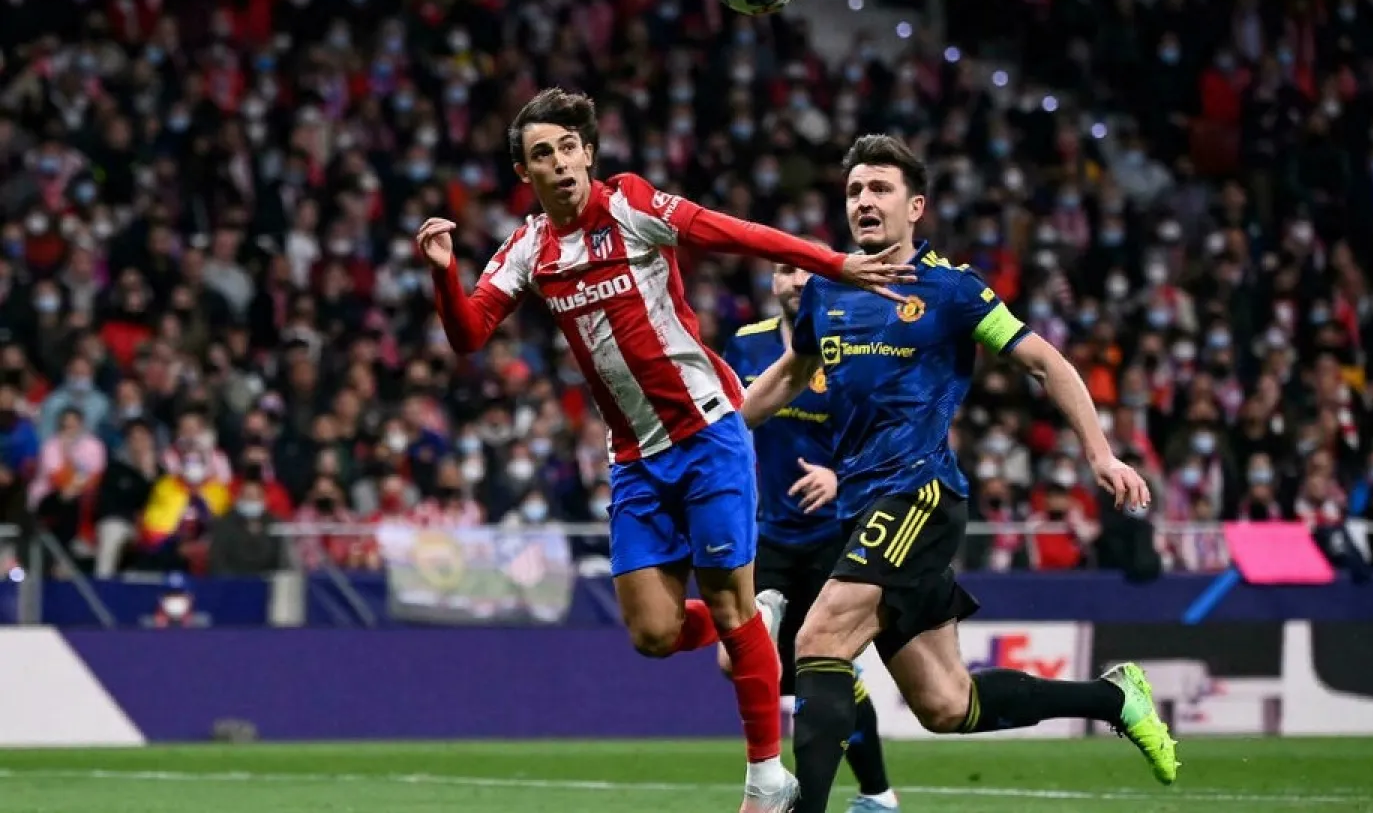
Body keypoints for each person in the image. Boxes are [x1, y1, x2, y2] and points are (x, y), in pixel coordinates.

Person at [418, 88, 913, 812]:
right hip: (636, 457)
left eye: (566, 147)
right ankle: (756, 621)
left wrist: (835, 264)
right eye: (540, 155)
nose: (558, 163)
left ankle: (764, 777)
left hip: (709, 429)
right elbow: (468, 334)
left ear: (588, 151)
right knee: (653, 630)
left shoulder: (634, 206)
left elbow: (738, 234)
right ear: (524, 173)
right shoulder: (529, 248)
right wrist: (442, 271)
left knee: (721, 594)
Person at [741, 135, 1179, 813]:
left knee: (818, 638)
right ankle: (1115, 697)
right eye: (856, 190)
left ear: (915, 206)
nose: (864, 201)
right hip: (860, 508)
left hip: (919, 492)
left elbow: (1047, 363)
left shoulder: (952, 289)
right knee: (947, 703)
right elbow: (786, 378)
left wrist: (1100, 451)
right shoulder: (826, 289)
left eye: (880, 189)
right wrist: (703, 434)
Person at [721, 260, 900, 813]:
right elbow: (723, 423)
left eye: (807, 272)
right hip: (768, 534)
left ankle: (875, 796)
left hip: (836, 533)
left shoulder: (855, 347)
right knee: (745, 665)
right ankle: (870, 795)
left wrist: (839, 476)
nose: (797, 280)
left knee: (824, 672)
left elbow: (891, 434)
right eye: (783, 270)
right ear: (771, 283)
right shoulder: (745, 345)